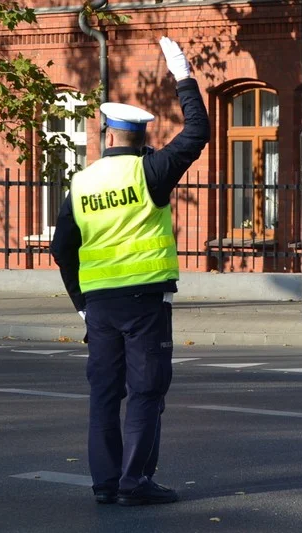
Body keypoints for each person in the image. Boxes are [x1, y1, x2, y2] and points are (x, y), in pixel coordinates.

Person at [50, 36, 209, 506]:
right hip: (145, 304)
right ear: (142, 137)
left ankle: (104, 484)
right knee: (145, 392)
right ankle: (134, 482)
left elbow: (62, 250)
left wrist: (82, 305)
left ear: (107, 134)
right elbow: (197, 133)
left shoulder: (81, 183)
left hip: (99, 307)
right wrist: (182, 74)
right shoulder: (151, 172)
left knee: (104, 395)